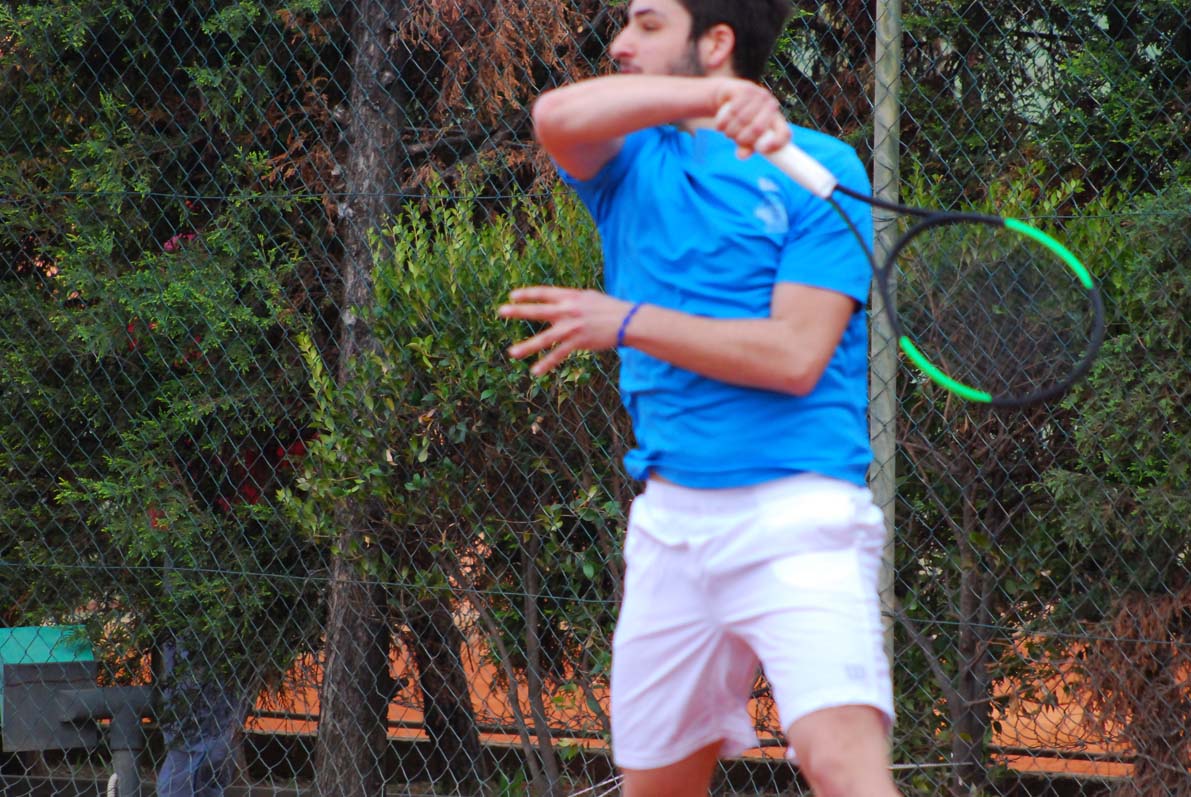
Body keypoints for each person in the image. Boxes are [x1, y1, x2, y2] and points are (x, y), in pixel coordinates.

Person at [499, 1, 902, 795]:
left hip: (798, 514)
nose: (620, 43)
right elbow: (554, 115)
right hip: (670, 528)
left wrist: (627, 322)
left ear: (716, 41)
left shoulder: (821, 170)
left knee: (842, 765)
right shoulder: (628, 162)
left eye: (648, 25)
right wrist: (712, 98)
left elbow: (794, 355)